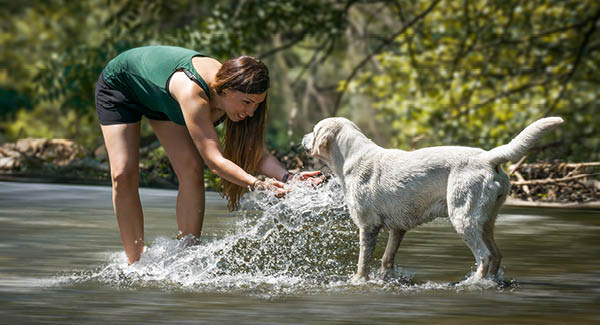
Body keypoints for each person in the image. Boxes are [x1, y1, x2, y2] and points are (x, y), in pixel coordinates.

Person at [95, 45, 320, 263]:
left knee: (191, 169)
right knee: (123, 174)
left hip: (161, 99)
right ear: (226, 90)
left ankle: (185, 256)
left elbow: (255, 153)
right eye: (247, 103)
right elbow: (215, 161)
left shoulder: (235, 96)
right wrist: (259, 184)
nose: (251, 112)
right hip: (122, 86)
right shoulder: (193, 92)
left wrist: (288, 178)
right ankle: (135, 263)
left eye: (257, 105)